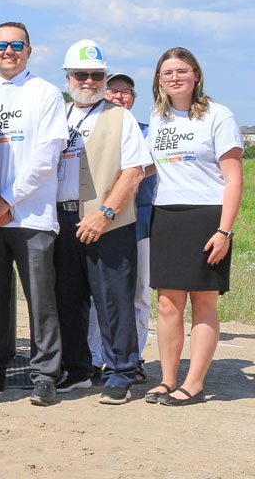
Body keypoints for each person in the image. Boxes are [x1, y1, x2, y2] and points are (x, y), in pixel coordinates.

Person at [0, 23, 67, 405]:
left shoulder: (45, 93)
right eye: (1, 46)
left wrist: (8, 198)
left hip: (32, 215)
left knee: (41, 300)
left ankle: (45, 374)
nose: (8, 51)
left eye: (16, 45)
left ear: (29, 50)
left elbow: (47, 155)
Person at [52, 39, 151, 405]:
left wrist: (106, 212)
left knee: (114, 301)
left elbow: (133, 172)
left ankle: (121, 371)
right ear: (68, 77)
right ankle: (77, 369)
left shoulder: (120, 116)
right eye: (82, 74)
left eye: (97, 75)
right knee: (68, 299)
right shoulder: (58, 114)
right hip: (63, 221)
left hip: (107, 221)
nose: (89, 80)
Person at [145, 47, 243, 406]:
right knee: (168, 304)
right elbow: (150, 165)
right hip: (167, 215)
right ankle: (167, 380)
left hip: (207, 217)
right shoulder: (159, 117)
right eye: (167, 72)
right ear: (159, 80)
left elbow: (234, 179)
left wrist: (225, 231)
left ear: (196, 75)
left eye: (182, 71)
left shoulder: (218, 115)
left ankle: (195, 382)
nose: (175, 77)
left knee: (203, 304)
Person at [89, 73, 155, 384]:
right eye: (113, 91)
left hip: (140, 221)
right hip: (99, 222)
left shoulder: (147, 132)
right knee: (97, 295)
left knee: (139, 294)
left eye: (125, 92)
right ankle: (94, 356)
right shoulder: (94, 128)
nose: (119, 97)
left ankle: (135, 355)